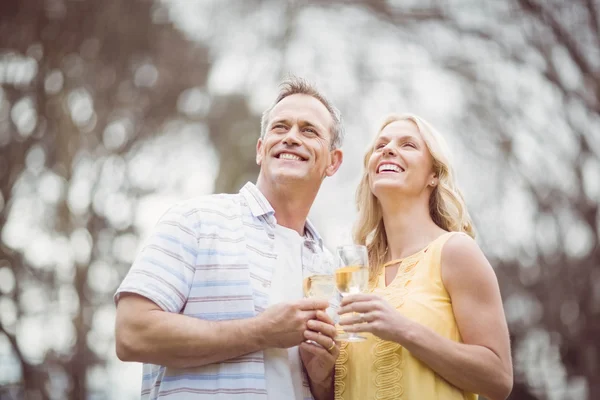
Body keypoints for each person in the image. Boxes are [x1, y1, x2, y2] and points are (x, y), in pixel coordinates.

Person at [114, 76, 344, 400]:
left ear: (333, 162)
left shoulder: (336, 273)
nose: (291, 137)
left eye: (309, 130)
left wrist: (323, 381)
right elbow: (131, 334)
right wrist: (261, 332)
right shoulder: (195, 221)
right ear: (261, 150)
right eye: (280, 127)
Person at [335, 114, 513, 400]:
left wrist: (403, 330)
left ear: (433, 175)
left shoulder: (456, 252)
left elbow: (499, 378)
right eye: (381, 144)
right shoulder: (355, 272)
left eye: (408, 145)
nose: (388, 149)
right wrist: (318, 366)